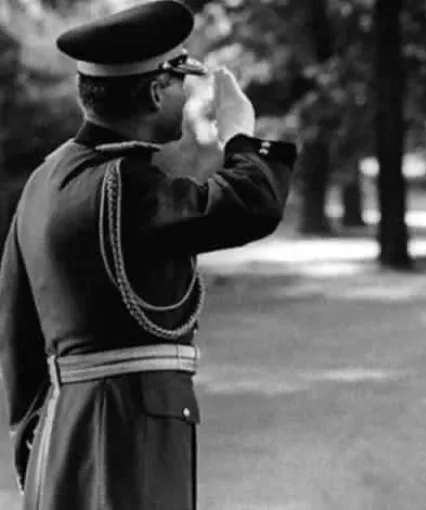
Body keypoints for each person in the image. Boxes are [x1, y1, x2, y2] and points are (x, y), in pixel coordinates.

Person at [0, 1, 297, 509]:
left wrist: (35, 439)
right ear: (157, 90)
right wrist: (240, 136)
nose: (186, 97)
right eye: (181, 81)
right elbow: (250, 206)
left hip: (62, 426)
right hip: (128, 430)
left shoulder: (45, 180)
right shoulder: (124, 185)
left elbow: (17, 327)